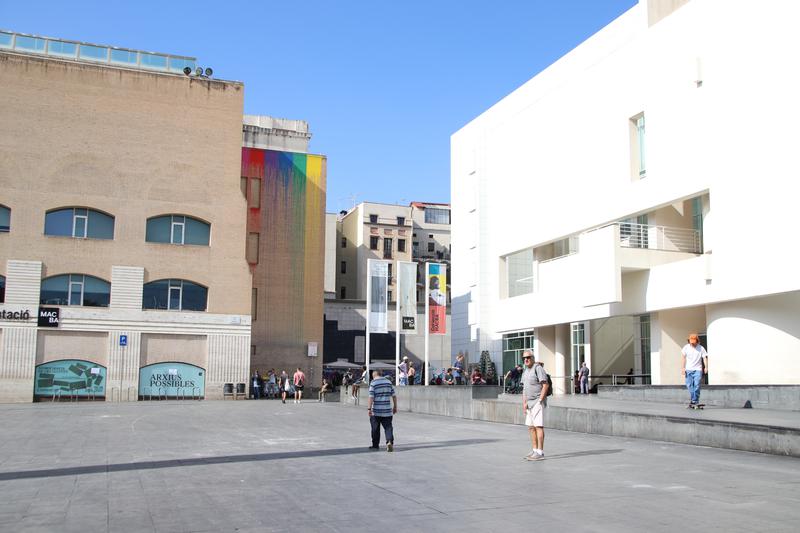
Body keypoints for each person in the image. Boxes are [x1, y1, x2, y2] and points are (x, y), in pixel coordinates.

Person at [521, 350, 549, 461]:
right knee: (531, 427)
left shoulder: (538, 368)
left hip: (537, 401)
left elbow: (545, 385)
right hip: (529, 403)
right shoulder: (525, 371)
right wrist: (524, 403)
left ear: (532, 358)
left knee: (538, 426)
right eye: (524, 358)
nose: (526, 359)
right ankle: (534, 450)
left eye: (528, 357)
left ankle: (540, 452)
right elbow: (524, 388)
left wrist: (540, 400)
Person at [368, 370, 397, 452]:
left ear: (374, 375)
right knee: (388, 428)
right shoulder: (388, 382)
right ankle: (389, 441)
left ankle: (375, 445)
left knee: (375, 429)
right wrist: (395, 407)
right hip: (387, 410)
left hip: (376, 411)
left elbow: (371, 397)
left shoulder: (373, 383)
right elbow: (394, 396)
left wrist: (369, 408)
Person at [682, 333, 708, 408]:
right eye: (691, 342)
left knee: (696, 385)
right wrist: (683, 368)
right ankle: (694, 399)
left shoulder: (701, 348)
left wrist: (706, 367)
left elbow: (704, 358)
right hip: (688, 369)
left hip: (698, 369)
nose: (692, 343)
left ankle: (695, 400)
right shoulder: (686, 348)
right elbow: (683, 358)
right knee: (689, 385)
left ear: (697, 341)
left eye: (694, 342)